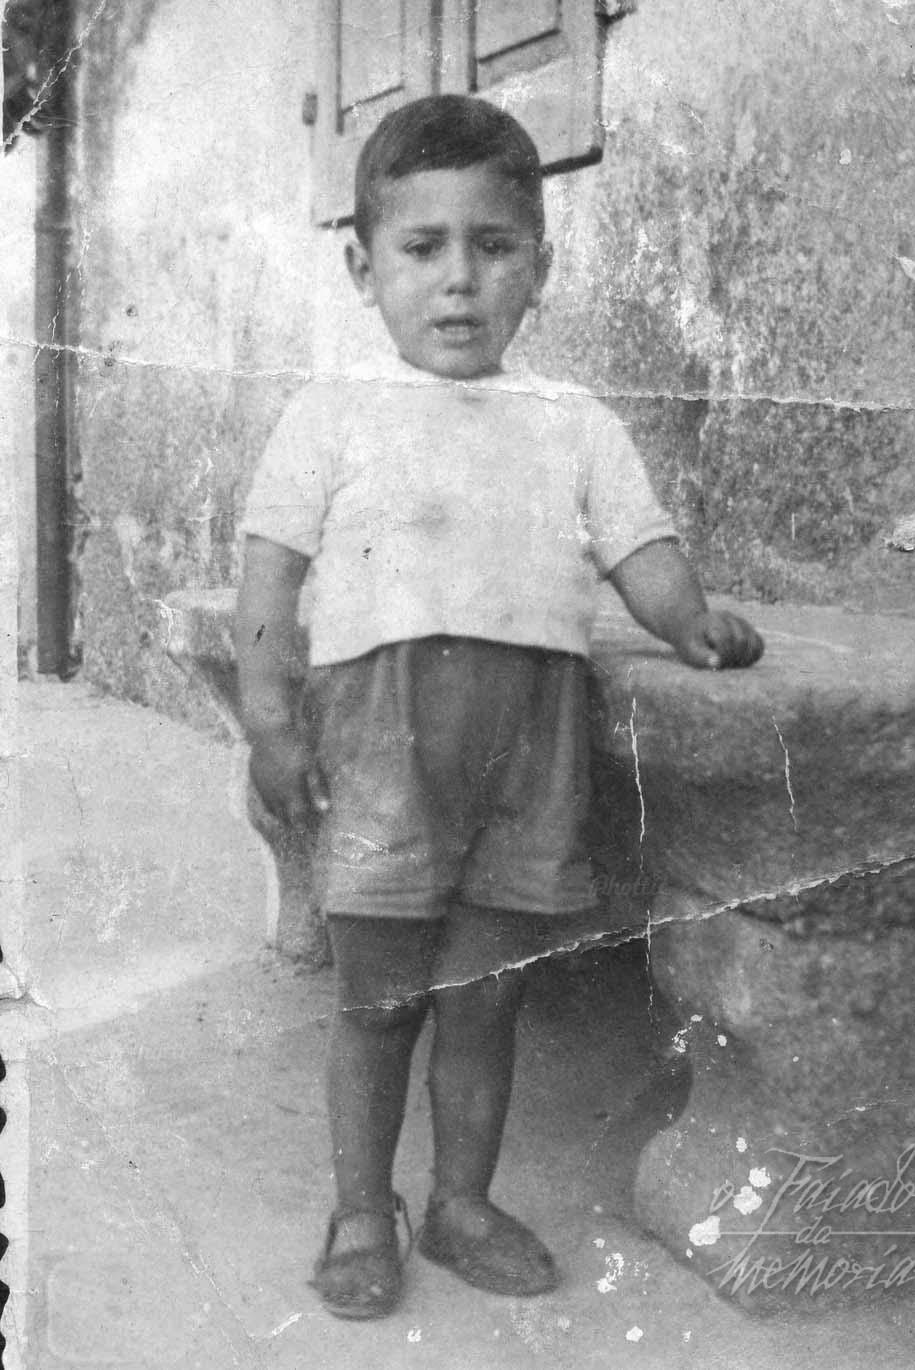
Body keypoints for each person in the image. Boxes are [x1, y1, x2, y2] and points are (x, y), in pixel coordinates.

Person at [235, 93, 764, 1320]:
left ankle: (462, 1200)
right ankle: (361, 1207)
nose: (459, 279)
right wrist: (268, 720)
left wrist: (689, 620)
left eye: (493, 245)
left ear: (540, 264)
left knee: (488, 993)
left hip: (532, 747)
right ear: (363, 266)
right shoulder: (331, 413)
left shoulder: (570, 422)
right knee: (379, 999)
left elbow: (637, 548)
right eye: (423, 248)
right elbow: (268, 580)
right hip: (379, 747)